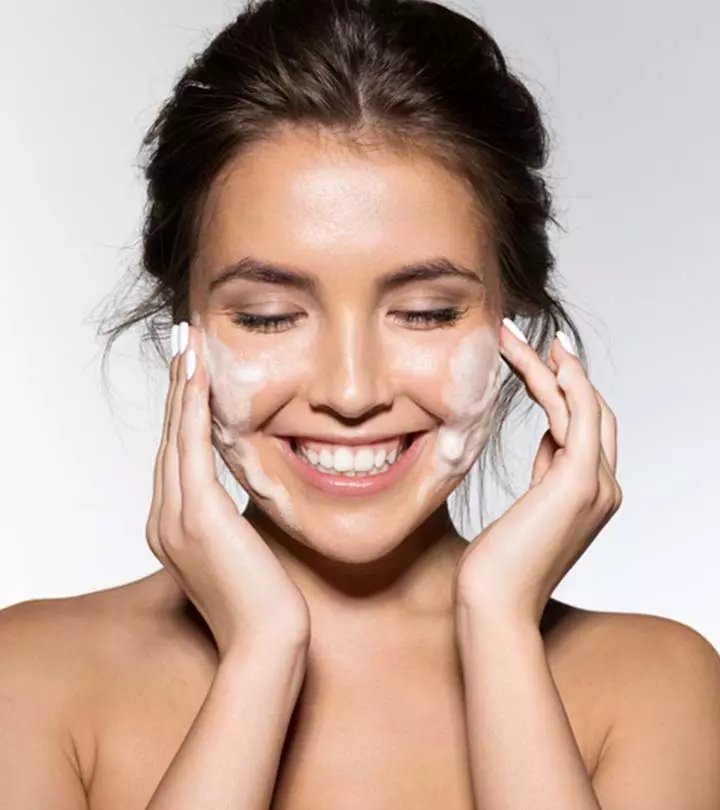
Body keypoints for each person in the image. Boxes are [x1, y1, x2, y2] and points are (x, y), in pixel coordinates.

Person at [2, 0, 719, 807]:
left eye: (426, 312)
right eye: (268, 316)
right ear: (185, 327)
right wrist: (261, 658)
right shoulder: (32, 682)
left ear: (516, 325)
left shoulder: (652, 686)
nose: (352, 392)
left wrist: (498, 628)